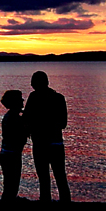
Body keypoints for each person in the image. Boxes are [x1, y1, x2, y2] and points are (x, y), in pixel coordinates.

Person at [22, 71, 71, 203]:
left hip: (40, 144)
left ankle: (45, 202)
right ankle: (65, 203)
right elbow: (63, 123)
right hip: (55, 144)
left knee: (44, 177)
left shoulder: (33, 97)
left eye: (33, 82)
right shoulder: (59, 98)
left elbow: (26, 120)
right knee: (60, 176)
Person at [0, 90, 27, 201]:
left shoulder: (12, 116)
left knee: (9, 187)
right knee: (11, 187)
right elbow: (20, 136)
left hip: (8, 154)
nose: (23, 100)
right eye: (20, 99)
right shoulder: (14, 118)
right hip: (11, 155)